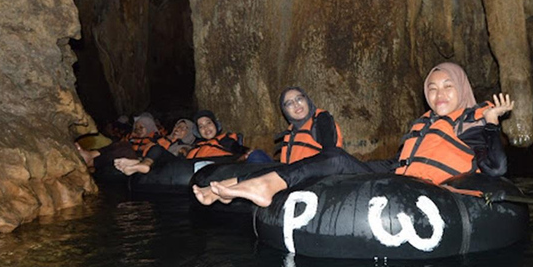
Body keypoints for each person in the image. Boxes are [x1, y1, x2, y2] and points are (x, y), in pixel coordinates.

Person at [193, 62, 513, 207]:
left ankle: (262, 187)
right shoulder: (425, 122)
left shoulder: (471, 121)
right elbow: (404, 162)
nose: (439, 93)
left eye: (447, 87)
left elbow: (496, 169)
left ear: (461, 90)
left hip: (423, 190)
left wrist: (492, 124)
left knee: (332, 158)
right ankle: (238, 185)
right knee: (334, 160)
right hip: (400, 174)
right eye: (432, 87)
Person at [275, 86, 343, 164]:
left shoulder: (321, 120)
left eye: (299, 99)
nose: (296, 104)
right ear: (285, 111)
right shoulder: (291, 131)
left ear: (307, 100)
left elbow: (331, 156)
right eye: (289, 103)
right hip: (295, 174)